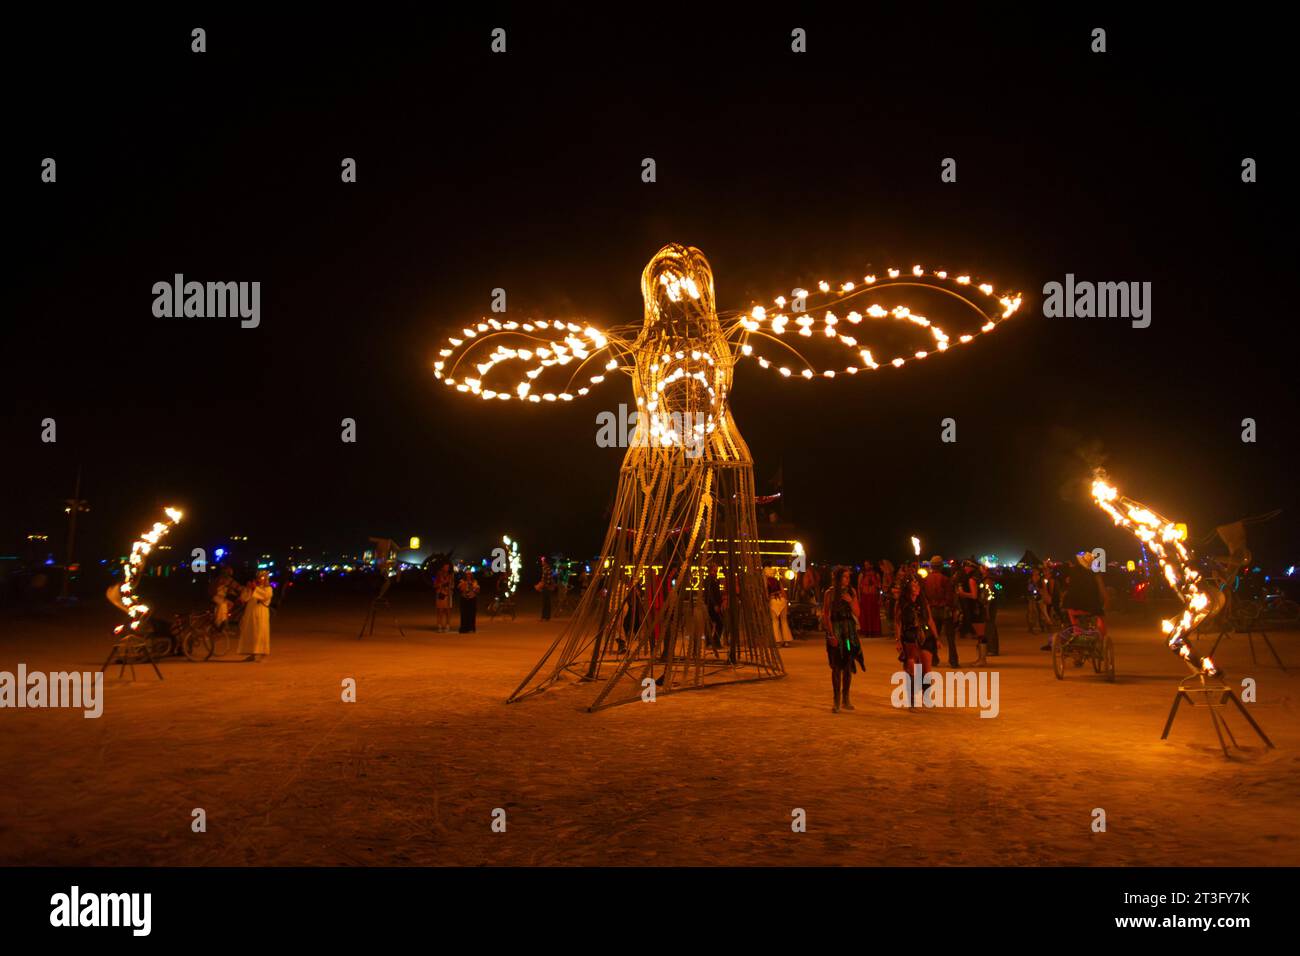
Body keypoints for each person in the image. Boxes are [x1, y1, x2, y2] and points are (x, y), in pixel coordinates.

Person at [821, 566, 864, 713]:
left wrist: (851, 601)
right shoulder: (830, 593)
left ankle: (846, 698)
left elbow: (858, 613)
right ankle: (836, 700)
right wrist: (831, 634)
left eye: (848, 577)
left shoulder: (852, 592)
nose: (847, 579)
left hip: (848, 633)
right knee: (836, 666)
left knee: (847, 665)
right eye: (844, 576)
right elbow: (826, 614)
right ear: (838, 578)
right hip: (836, 631)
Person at [896, 574, 940, 709]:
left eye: (918, 585)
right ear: (908, 588)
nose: (917, 588)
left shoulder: (923, 601)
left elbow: (930, 620)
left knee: (927, 669)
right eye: (914, 586)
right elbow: (897, 623)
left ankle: (926, 697)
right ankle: (911, 700)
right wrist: (898, 640)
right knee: (912, 668)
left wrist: (937, 638)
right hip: (909, 636)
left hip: (925, 635)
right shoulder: (901, 603)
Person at [922, 555, 958, 667]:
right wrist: (953, 609)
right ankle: (953, 661)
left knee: (933, 636)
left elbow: (924, 596)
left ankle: (934, 659)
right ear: (941, 566)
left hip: (932, 610)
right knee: (950, 637)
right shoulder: (945, 579)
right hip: (945, 610)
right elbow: (949, 597)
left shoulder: (926, 580)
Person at [1063, 551, 1109, 637]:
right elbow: (1102, 591)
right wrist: (1106, 601)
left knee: (1071, 612)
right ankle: (1102, 637)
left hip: (1072, 607)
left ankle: (1077, 631)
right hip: (1091, 606)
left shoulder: (1072, 572)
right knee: (1101, 616)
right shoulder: (1095, 574)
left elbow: (1068, 587)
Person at [955, 558, 988, 666]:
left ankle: (982, 660)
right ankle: (981, 659)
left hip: (976, 608)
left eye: (966, 566)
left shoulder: (972, 580)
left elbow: (974, 596)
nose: (965, 569)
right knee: (981, 635)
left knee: (981, 635)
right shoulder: (978, 578)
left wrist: (962, 593)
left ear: (971, 568)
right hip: (979, 608)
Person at [238, 569, 273, 661]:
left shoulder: (268, 589)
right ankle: (252, 653)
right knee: (252, 633)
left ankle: (261, 653)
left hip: (261, 612)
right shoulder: (254, 588)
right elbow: (244, 598)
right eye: (259, 577)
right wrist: (248, 588)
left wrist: (254, 588)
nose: (260, 579)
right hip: (251, 612)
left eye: (262, 577)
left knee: (260, 633)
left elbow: (265, 596)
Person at [703, 560, 725, 657]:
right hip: (711, 605)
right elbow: (709, 594)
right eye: (715, 567)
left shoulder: (715, 579)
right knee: (713, 623)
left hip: (716, 605)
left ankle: (714, 641)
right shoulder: (708, 579)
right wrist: (715, 604)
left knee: (718, 623)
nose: (717, 569)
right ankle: (710, 642)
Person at [856, 561, 882, 636]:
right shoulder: (862, 574)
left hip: (874, 596)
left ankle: (874, 631)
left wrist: (880, 598)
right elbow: (858, 587)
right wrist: (859, 597)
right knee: (865, 614)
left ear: (871, 565)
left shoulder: (876, 575)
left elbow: (880, 588)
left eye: (868, 564)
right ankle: (866, 631)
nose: (866, 566)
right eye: (865, 565)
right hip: (865, 596)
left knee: (874, 614)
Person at [981, 564, 1002, 655]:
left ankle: (992, 649)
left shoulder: (988, 581)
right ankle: (991, 648)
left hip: (989, 607)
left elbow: (989, 596)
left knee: (990, 627)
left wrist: (987, 608)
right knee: (990, 627)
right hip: (990, 606)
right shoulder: (989, 580)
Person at [768, 575, 794, 647]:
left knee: (775, 621)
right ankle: (786, 641)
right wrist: (786, 601)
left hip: (773, 601)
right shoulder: (777, 581)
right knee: (784, 621)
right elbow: (783, 592)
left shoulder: (766, 581)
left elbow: (766, 594)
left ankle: (778, 641)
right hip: (782, 600)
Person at [433, 561, 453, 632]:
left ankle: (447, 625)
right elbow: (435, 585)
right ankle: (439, 625)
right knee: (440, 611)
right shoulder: (439, 575)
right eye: (445, 567)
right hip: (441, 594)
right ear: (442, 567)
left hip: (448, 595)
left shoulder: (450, 575)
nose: (447, 568)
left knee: (448, 611)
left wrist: (449, 586)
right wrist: (441, 585)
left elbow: (452, 585)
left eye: (448, 567)